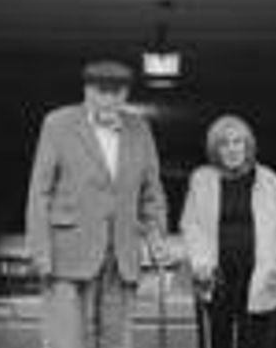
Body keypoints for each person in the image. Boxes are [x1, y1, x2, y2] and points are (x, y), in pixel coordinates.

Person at [25, 60, 170, 348]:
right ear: (87, 90)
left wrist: (156, 237)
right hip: (65, 256)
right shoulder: (58, 123)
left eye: (116, 92)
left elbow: (151, 193)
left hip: (121, 255)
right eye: (101, 91)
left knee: (116, 343)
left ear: (125, 94)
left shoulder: (139, 128)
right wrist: (40, 252)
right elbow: (39, 192)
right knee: (67, 342)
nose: (108, 98)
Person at [179, 114, 276, 348]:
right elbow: (191, 225)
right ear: (215, 150)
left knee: (256, 339)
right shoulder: (201, 179)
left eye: (237, 142)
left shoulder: (269, 180)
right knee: (216, 339)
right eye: (224, 144)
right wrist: (200, 263)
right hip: (216, 276)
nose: (232, 149)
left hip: (260, 274)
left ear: (248, 146)